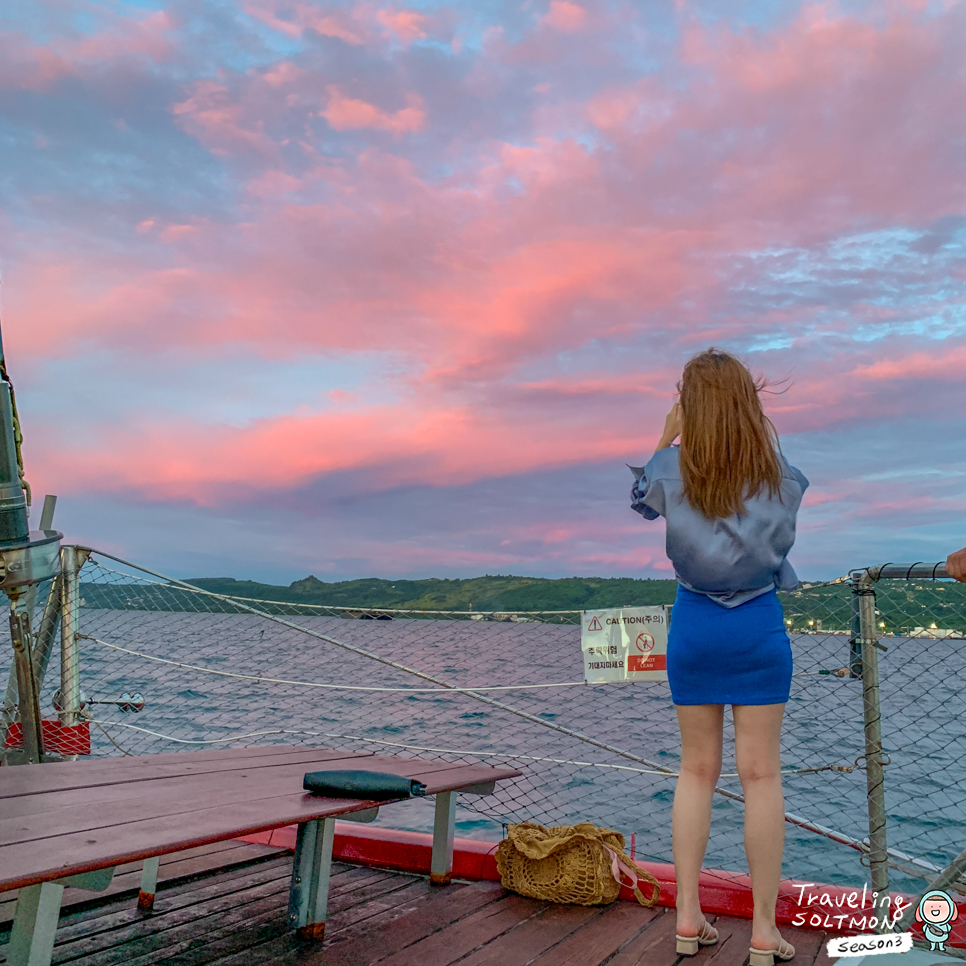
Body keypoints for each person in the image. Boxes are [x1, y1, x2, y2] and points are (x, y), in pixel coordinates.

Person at [630, 349, 808, 966]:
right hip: (758, 624)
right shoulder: (779, 476)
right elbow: (781, 538)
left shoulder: (673, 472)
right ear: (747, 404)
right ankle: (763, 930)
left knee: (695, 771)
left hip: (695, 624)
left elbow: (639, 499)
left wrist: (666, 436)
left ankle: (686, 919)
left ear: (690, 406)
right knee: (761, 775)